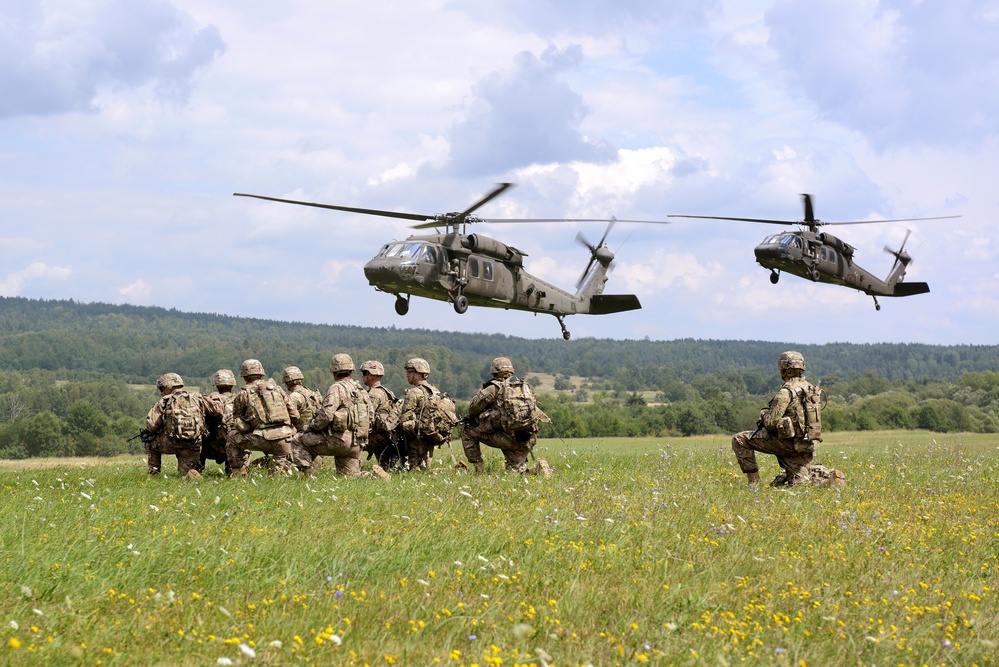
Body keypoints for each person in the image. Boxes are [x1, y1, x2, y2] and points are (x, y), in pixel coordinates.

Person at [290, 353, 388, 479]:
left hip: (339, 440)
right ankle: (374, 477)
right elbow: (371, 416)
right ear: (351, 370)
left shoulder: (336, 388)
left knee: (297, 440)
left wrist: (311, 427)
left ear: (334, 372)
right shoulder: (360, 390)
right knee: (349, 477)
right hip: (357, 443)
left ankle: (308, 478)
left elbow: (326, 416)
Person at [731, 351, 817, 487]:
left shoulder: (786, 392)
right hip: (806, 445)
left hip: (788, 444)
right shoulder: (811, 389)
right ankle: (829, 478)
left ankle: (754, 485)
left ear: (783, 370)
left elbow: (771, 423)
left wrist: (764, 414)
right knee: (798, 486)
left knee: (740, 439)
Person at [461, 357, 551, 476]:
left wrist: (481, 391)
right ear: (512, 371)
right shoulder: (524, 388)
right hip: (527, 438)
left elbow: (472, 409)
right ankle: (537, 470)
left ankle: (479, 470)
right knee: (515, 472)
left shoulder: (493, 388)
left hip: (506, 437)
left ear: (493, 372)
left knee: (467, 431)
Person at [226, 359, 299, 476]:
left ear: (244, 377)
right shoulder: (278, 390)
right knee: (280, 476)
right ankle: (280, 469)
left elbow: (238, 421)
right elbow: (295, 415)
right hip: (284, 440)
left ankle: (238, 472)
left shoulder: (243, 394)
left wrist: (248, 428)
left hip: (259, 439)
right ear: (261, 374)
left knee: (231, 437)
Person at [145, 372, 209, 479]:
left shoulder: (164, 401)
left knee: (150, 441)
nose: (161, 393)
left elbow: (151, 425)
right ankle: (191, 474)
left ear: (167, 387)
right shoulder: (197, 398)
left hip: (171, 443)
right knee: (187, 472)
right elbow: (217, 411)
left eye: (161, 389)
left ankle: (154, 474)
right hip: (193, 444)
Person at [399, 357, 456, 471]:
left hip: (418, 436)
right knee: (424, 467)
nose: (407, 375)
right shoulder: (435, 390)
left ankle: (447, 471)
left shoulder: (414, 392)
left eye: (410, 372)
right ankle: (447, 471)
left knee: (415, 470)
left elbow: (404, 420)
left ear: (419, 373)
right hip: (432, 433)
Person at [360, 360, 405, 469]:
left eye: (365, 373)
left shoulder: (373, 394)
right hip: (388, 437)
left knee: (350, 442)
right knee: (386, 468)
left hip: (379, 437)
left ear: (373, 375)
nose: (363, 376)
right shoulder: (387, 391)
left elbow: (364, 417)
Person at [198, 369, 237, 474]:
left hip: (209, 448)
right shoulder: (240, 400)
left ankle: (197, 471)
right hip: (234, 447)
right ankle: (235, 471)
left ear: (216, 385)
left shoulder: (209, 402)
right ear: (232, 384)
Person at [282, 366, 323, 431]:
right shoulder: (313, 393)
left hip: (303, 433)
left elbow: (286, 418)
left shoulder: (294, 397)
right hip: (317, 430)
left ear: (287, 382)